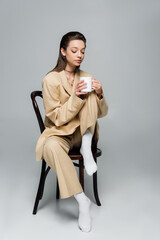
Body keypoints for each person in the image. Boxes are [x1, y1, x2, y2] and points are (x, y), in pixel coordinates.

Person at [35, 31, 108, 232]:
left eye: (83, 51)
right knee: (50, 146)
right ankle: (81, 200)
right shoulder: (50, 80)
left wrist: (100, 94)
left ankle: (86, 145)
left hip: (84, 132)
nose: (79, 55)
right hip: (60, 133)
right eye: (75, 50)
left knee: (91, 92)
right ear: (63, 51)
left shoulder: (85, 77)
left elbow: (101, 113)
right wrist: (75, 98)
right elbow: (56, 117)